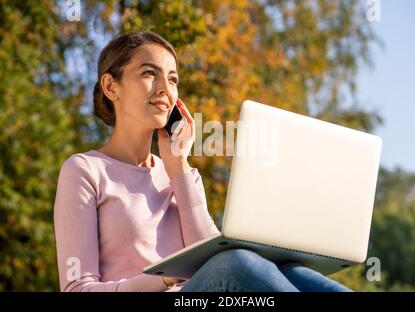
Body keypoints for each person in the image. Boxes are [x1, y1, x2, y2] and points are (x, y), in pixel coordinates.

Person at [53, 31, 351, 292]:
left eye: (172, 79)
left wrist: (178, 167)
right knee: (237, 261)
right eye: (148, 73)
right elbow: (78, 287)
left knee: (285, 266)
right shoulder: (84, 170)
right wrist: (165, 278)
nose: (164, 89)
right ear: (111, 86)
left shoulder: (180, 173)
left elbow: (210, 253)